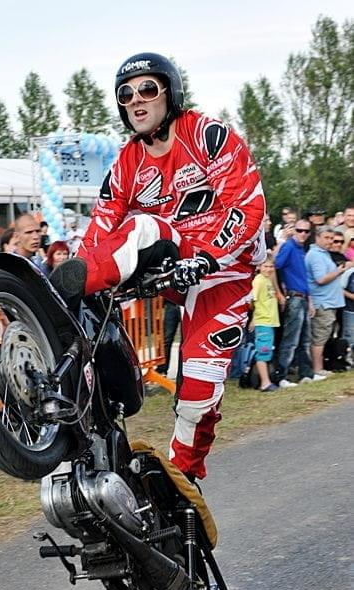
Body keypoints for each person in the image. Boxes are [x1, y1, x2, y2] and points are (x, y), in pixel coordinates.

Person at [51, 52, 266, 480]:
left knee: (199, 398)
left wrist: (206, 258)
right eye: (125, 94)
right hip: (165, 261)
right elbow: (102, 229)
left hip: (225, 273)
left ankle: (183, 483)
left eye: (147, 89)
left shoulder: (208, 135)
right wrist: (78, 269)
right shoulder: (126, 163)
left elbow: (247, 206)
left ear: (170, 93)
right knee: (141, 229)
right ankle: (58, 310)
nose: (136, 100)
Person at [271, 219, 324, 387]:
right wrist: (279, 292)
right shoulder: (289, 246)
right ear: (294, 231)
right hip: (294, 298)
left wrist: (310, 301)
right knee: (291, 340)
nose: (302, 234)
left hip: (302, 297)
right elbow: (275, 264)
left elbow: (303, 278)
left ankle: (306, 373)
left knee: (304, 340)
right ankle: (281, 377)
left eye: (306, 231)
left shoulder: (300, 249)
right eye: (299, 230)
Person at [305, 225, 346, 377]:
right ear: (318, 237)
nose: (330, 241)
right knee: (319, 338)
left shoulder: (323, 253)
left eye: (331, 238)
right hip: (323, 303)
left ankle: (320, 366)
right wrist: (338, 271)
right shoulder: (315, 255)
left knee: (323, 336)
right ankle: (317, 369)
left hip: (329, 301)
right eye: (327, 238)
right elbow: (320, 279)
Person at [250, 258, 279, 391]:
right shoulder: (259, 281)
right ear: (259, 267)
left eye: (271, 266)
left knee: (267, 352)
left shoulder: (268, 280)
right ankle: (265, 383)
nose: (268, 269)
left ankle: (267, 379)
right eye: (265, 266)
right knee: (263, 352)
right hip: (262, 321)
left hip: (270, 321)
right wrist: (253, 320)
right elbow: (252, 301)